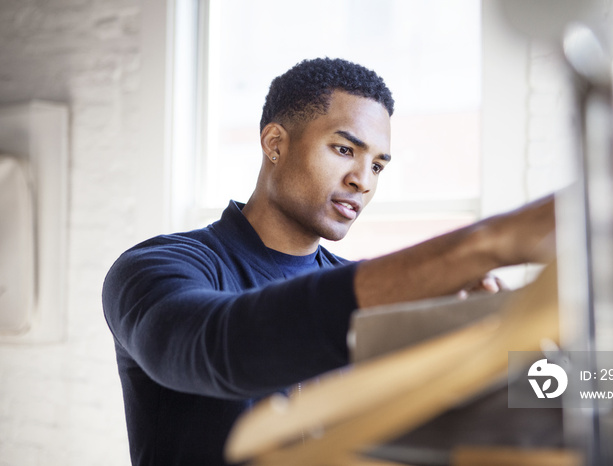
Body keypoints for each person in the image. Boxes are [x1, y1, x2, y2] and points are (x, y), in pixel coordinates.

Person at [102, 57, 555, 466]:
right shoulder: (155, 267)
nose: (363, 182)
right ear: (275, 143)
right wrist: (485, 243)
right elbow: (221, 348)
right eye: (344, 150)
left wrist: (487, 337)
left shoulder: (367, 291)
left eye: (378, 165)